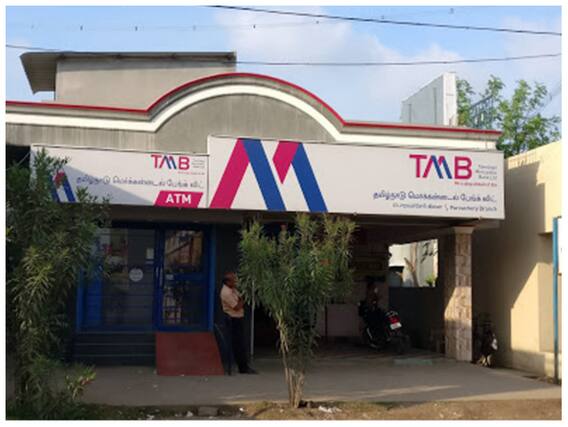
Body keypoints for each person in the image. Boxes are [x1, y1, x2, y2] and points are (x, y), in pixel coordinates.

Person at [220, 272, 257, 374]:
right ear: (228, 282)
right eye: (233, 280)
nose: (235, 282)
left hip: (238, 318)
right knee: (238, 343)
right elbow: (237, 306)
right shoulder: (226, 292)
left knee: (241, 342)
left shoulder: (233, 289)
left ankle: (244, 365)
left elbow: (240, 297)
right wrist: (242, 300)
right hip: (233, 319)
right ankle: (242, 367)